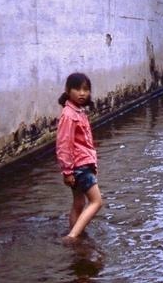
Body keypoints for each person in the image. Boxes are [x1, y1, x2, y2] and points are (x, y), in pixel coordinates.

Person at [56, 72, 103, 241]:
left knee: (79, 203)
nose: (82, 93)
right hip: (79, 166)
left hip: (81, 165)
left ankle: (77, 235)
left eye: (86, 89)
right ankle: (73, 236)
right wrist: (67, 171)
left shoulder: (78, 112)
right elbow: (63, 144)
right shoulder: (69, 115)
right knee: (97, 202)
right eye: (77, 89)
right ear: (68, 91)